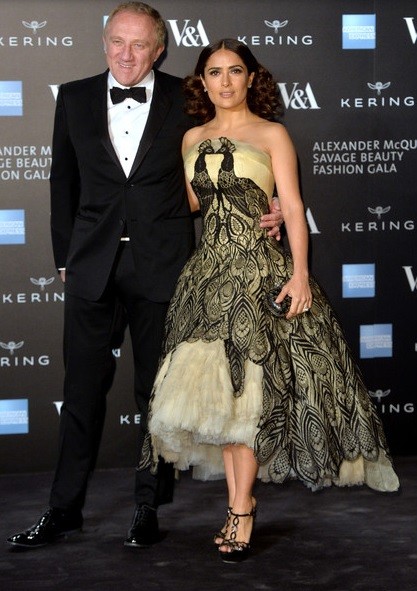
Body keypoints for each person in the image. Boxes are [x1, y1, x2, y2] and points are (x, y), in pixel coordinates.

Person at [6, 5, 282, 550]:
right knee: (80, 394)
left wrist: (267, 205)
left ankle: (147, 507)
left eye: (138, 45)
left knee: (156, 395)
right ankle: (62, 509)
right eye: (117, 42)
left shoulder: (189, 95)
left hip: (164, 266)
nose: (126, 55)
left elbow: (232, 147)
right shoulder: (75, 97)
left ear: (159, 49)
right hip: (91, 266)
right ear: (105, 42)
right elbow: (62, 181)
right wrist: (65, 259)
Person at [139, 38, 400, 564]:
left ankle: (240, 509)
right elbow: (191, 204)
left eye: (235, 71)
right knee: (223, 403)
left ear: (251, 78)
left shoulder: (272, 133)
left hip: (260, 276)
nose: (225, 81)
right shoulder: (190, 137)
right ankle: (240, 503)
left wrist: (300, 274)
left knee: (250, 399)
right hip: (207, 280)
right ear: (202, 82)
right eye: (215, 72)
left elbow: (294, 207)